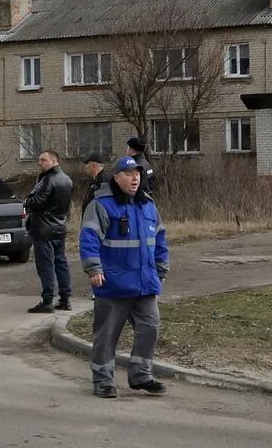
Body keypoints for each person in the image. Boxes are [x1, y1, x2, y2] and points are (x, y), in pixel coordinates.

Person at [79, 155, 170, 398]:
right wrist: (93, 268)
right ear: (116, 177)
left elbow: (160, 239)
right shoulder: (102, 204)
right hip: (113, 283)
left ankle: (141, 375)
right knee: (107, 335)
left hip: (145, 282)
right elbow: (89, 238)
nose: (135, 178)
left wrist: (161, 268)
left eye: (137, 174)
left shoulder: (147, 204)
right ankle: (103, 380)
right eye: (129, 174)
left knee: (150, 328)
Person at [22, 149, 74, 314]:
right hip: (59, 227)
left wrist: (27, 200)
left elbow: (36, 202)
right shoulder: (67, 180)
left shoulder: (48, 180)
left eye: (43, 160)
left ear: (54, 161)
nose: (39, 162)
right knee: (60, 263)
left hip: (44, 228)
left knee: (46, 266)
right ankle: (65, 299)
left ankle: (47, 301)